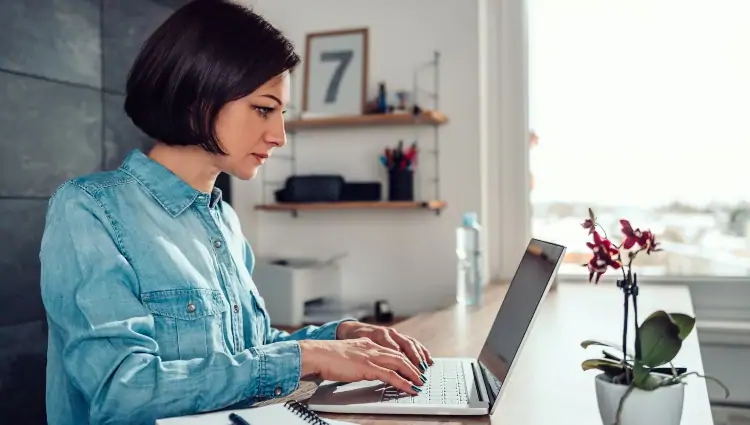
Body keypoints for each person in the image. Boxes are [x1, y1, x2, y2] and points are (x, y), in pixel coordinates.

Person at [39, 1, 432, 424]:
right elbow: (121, 390)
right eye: (264, 109)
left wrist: (337, 337)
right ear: (196, 96)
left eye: (282, 114)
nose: (279, 136)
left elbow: (248, 350)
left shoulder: (222, 219)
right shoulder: (88, 210)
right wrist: (308, 356)